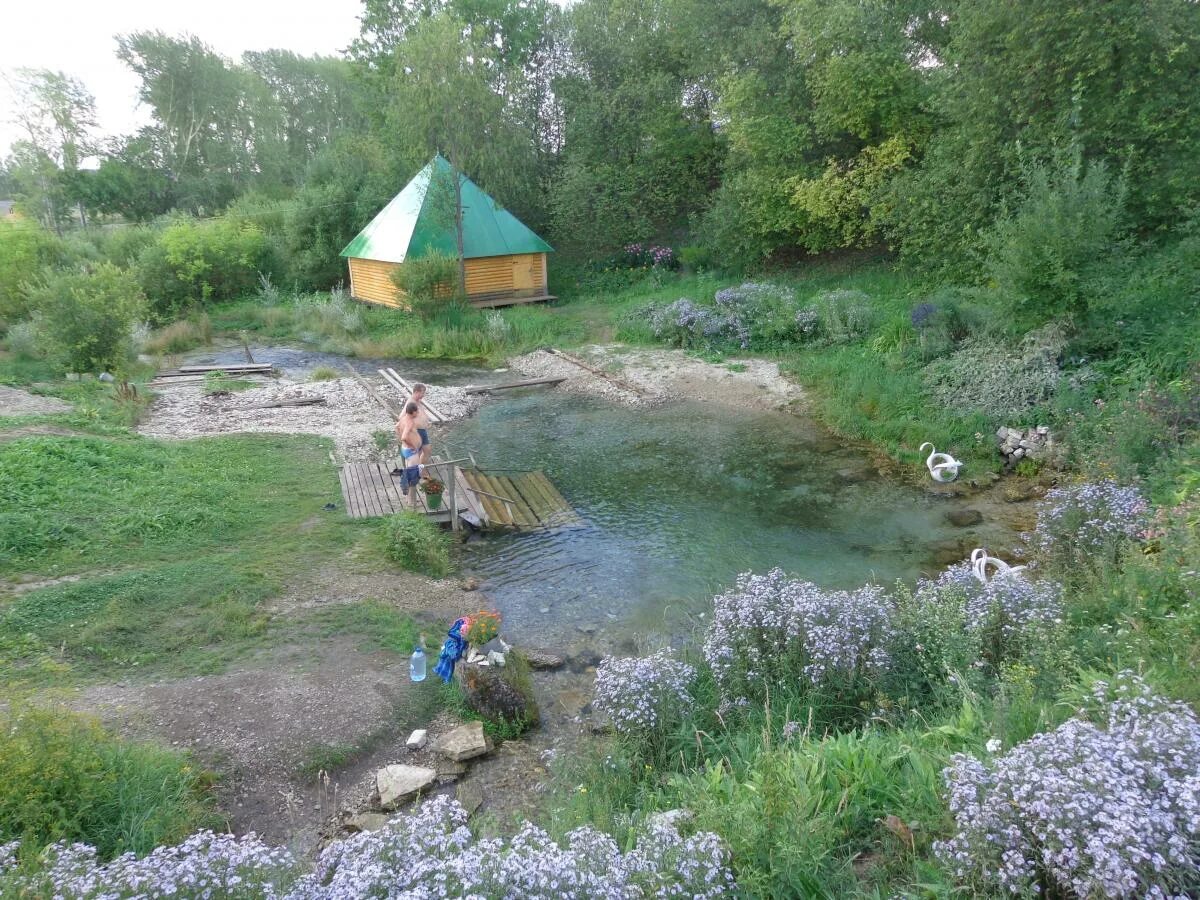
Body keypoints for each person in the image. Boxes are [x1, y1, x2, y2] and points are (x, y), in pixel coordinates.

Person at [395, 402, 423, 498]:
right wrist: (412, 446)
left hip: (405, 449)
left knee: (408, 474)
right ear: (413, 412)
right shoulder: (410, 422)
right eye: (417, 411)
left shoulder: (403, 419)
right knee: (413, 477)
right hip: (411, 452)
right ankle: (412, 502)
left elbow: (397, 427)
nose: (418, 413)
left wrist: (404, 443)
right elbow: (404, 437)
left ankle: (409, 499)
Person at [409, 383, 432, 465]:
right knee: (417, 453)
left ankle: (420, 468)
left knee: (427, 451)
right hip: (417, 431)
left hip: (422, 430)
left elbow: (421, 414)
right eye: (422, 393)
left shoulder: (417, 401)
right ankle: (417, 471)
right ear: (416, 392)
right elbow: (402, 417)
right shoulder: (410, 402)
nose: (423, 395)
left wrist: (426, 421)